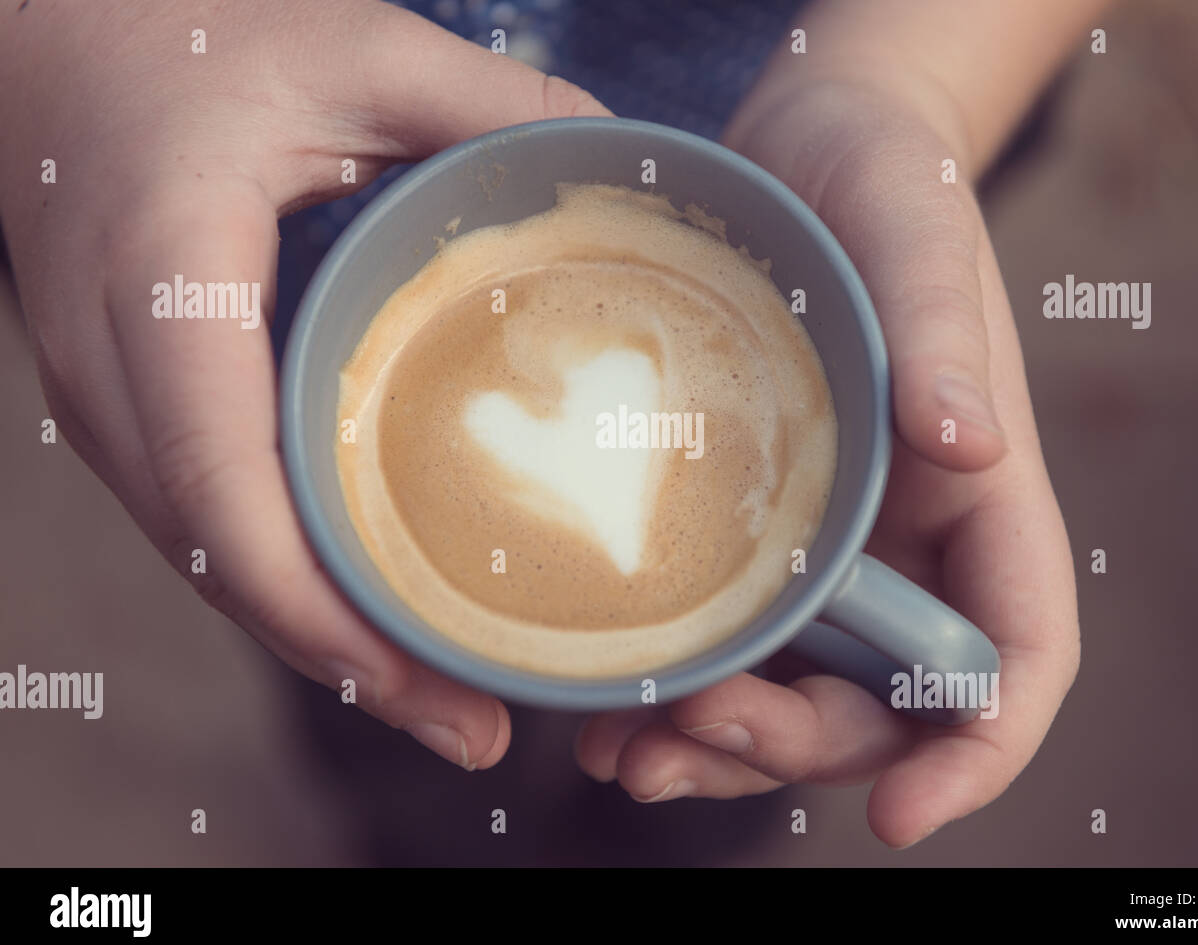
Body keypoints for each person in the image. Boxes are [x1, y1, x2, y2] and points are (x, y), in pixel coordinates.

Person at [0, 0, 1093, 848]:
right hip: (237, 258)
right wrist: (65, 49)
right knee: (352, 675)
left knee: (712, 760)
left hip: (791, 173)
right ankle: (420, 841)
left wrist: (903, 72)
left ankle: (683, 844)